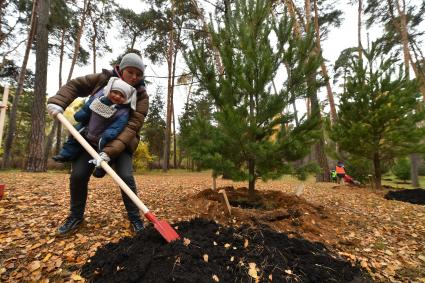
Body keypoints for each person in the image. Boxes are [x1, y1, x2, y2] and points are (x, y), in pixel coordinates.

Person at [46, 52, 149, 235]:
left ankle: (135, 219)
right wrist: (59, 101)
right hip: (91, 138)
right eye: (130, 72)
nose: (134, 77)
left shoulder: (141, 96)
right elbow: (76, 86)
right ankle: (76, 217)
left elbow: (131, 127)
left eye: (138, 74)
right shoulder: (102, 80)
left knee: (125, 177)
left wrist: (109, 152)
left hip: (120, 143)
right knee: (78, 175)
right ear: (121, 69)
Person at [52, 77, 137, 178]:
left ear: (126, 99)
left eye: (122, 96)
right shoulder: (99, 98)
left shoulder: (123, 112)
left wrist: (108, 135)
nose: (117, 96)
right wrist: (81, 114)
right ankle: (65, 154)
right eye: (115, 92)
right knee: (75, 136)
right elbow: (88, 107)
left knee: (105, 153)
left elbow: (118, 126)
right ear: (109, 90)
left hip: (103, 136)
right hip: (89, 130)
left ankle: (101, 169)